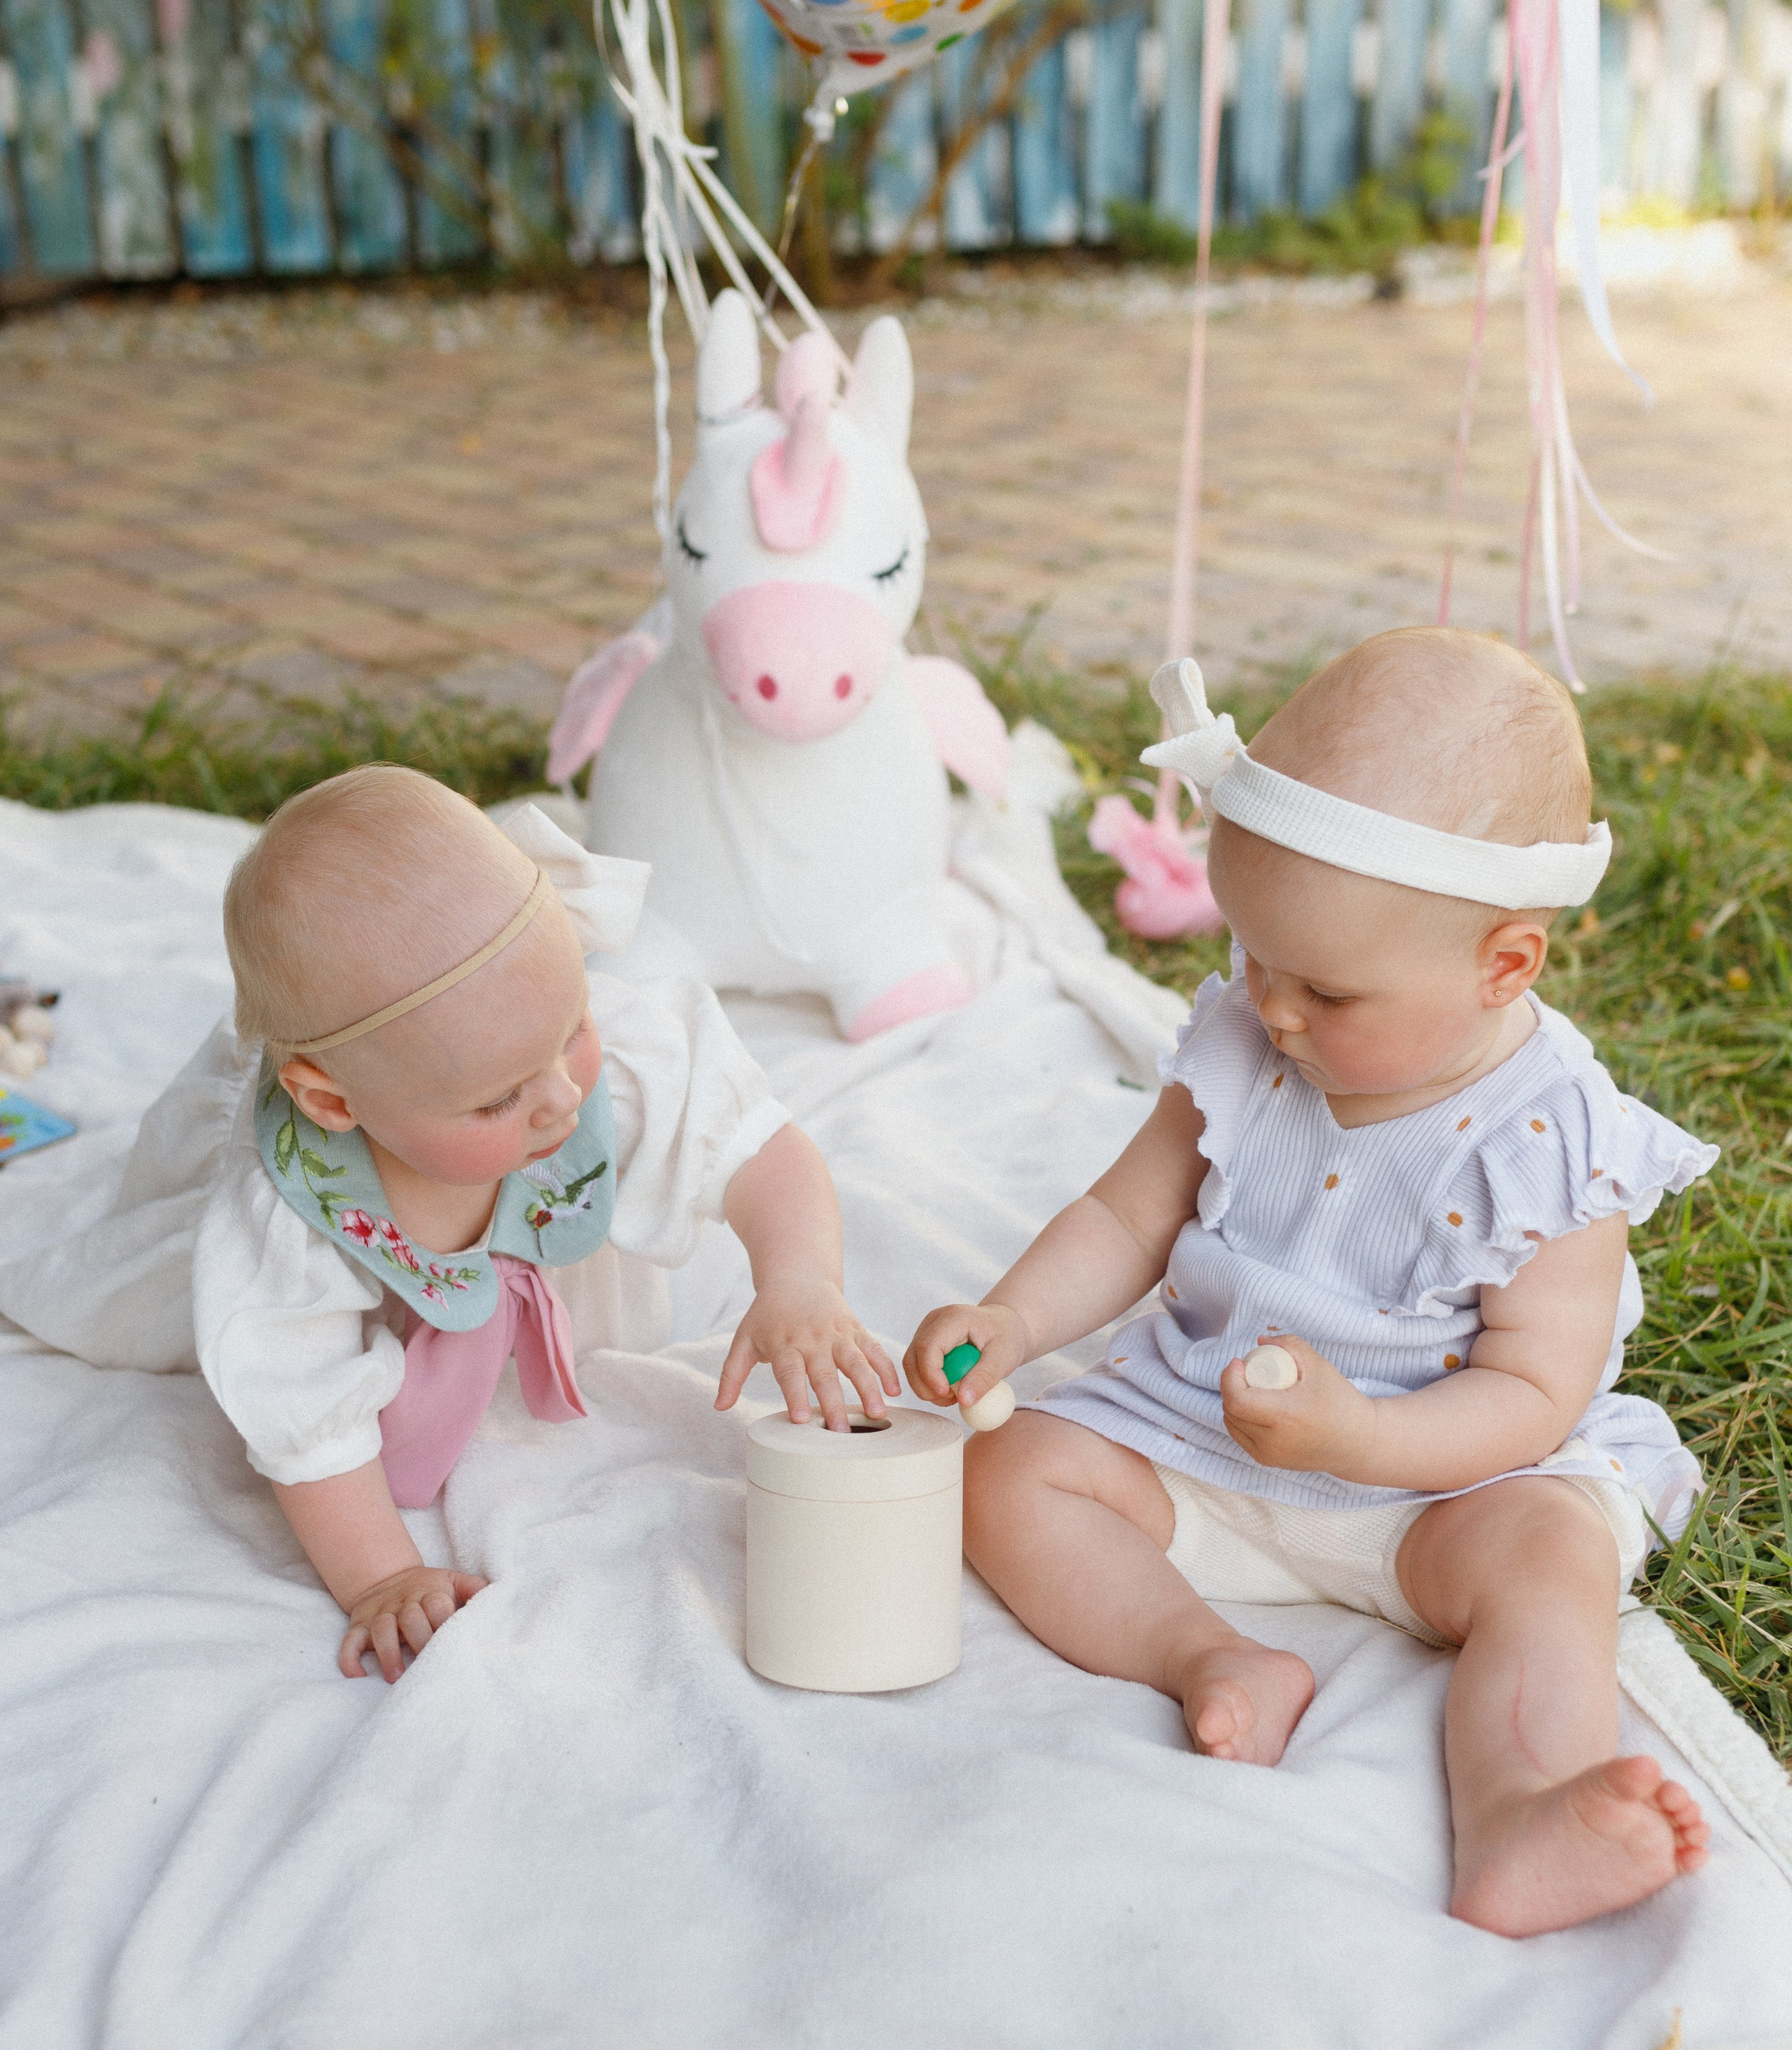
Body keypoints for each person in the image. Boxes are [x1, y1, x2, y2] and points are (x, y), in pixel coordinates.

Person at [907, 629, 1717, 1938]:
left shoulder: (1555, 1141)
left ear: (1504, 964)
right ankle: (1208, 1655)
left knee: (1548, 1560)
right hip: (1200, 1438)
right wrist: (1012, 1319)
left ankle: (1526, 1807)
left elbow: (1531, 1388)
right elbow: (1128, 1213)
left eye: (1326, 990)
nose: (1274, 1012)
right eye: (1255, 958)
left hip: (1444, 1490)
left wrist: (1368, 1437)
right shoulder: (1250, 1036)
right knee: (1003, 1472)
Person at [0, 768, 896, 1682]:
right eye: (499, 1098)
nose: (559, 1097)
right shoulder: (292, 1206)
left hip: (490, 1191)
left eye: (569, 1029)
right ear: (333, 1100)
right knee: (147, 1305)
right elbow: (300, 1410)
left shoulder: (582, 1048)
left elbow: (753, 1146)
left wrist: (799, 1279)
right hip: (319, 1227)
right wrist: (383, 1575)